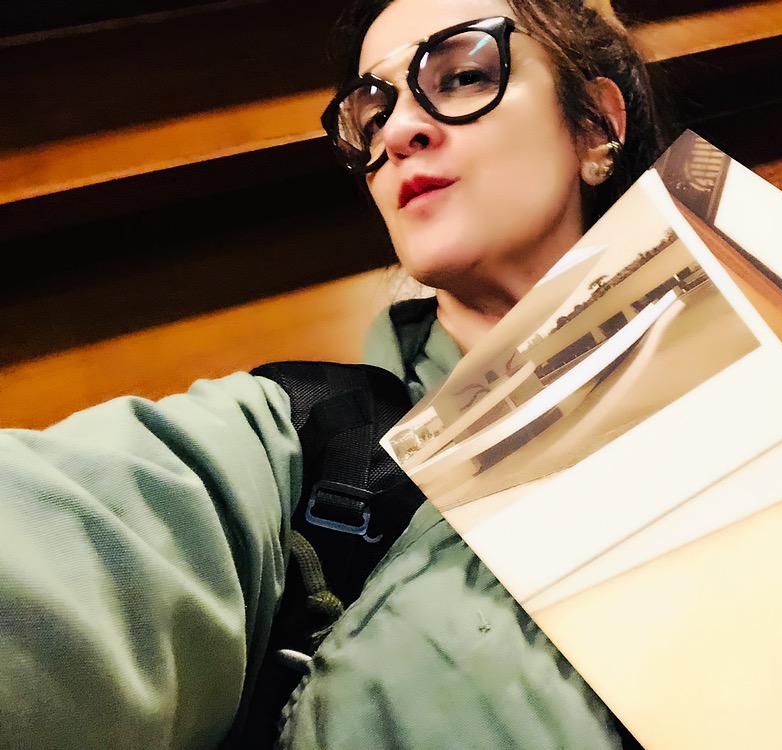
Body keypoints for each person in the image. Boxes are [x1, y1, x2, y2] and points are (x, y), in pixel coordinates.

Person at [0, 0, 664, 747]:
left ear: (597, 126)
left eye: (463, 76)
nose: (400, 132)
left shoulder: (767, 370)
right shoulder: (304, 450)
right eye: (372, 114)